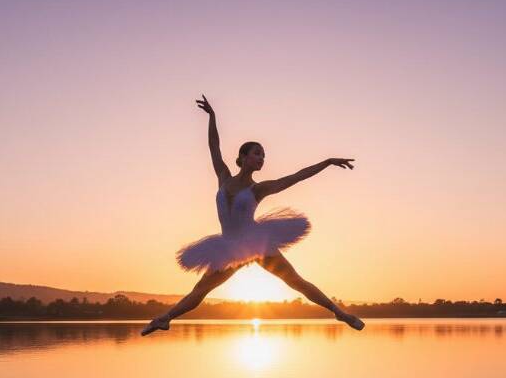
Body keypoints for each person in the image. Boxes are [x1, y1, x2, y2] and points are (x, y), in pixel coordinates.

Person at [141, 95, 365, 335]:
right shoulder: (224, 178)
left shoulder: (258, 189)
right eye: (257, 153)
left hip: (256, 244)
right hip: (228, 247)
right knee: (200, 289)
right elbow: (213, 147)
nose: (262, 158)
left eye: (263, 156)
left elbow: (296, 177)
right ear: (243, 157)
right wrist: (212, 117)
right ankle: (164, 318)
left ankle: (339, 313)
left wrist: (328, 162)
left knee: (295, 281)